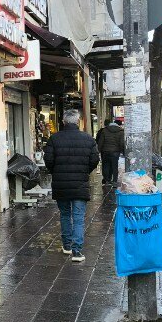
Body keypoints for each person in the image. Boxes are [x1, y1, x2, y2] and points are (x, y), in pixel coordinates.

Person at [45, 109, 100, 262]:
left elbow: (48, 160)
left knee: (64, 215)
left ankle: (67, 246)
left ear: (63, 122)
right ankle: (77, 252)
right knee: (78, 217)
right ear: (78, 121)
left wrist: (56, 171)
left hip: (61, 183)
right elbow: (94, 160)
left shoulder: (54, 139)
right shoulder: (88, 139)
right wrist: (84, 171)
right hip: (80, 184)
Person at [95, 119, 125, 185]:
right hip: (115, 152)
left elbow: (100, 142)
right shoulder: (121, 131)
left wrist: (98, 151)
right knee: (115, 166)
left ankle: (107, 181)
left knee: (105, 166)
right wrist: (122, 151)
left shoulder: (104, 130)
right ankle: (114, 181)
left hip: (105, 151)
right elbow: (121, 143)